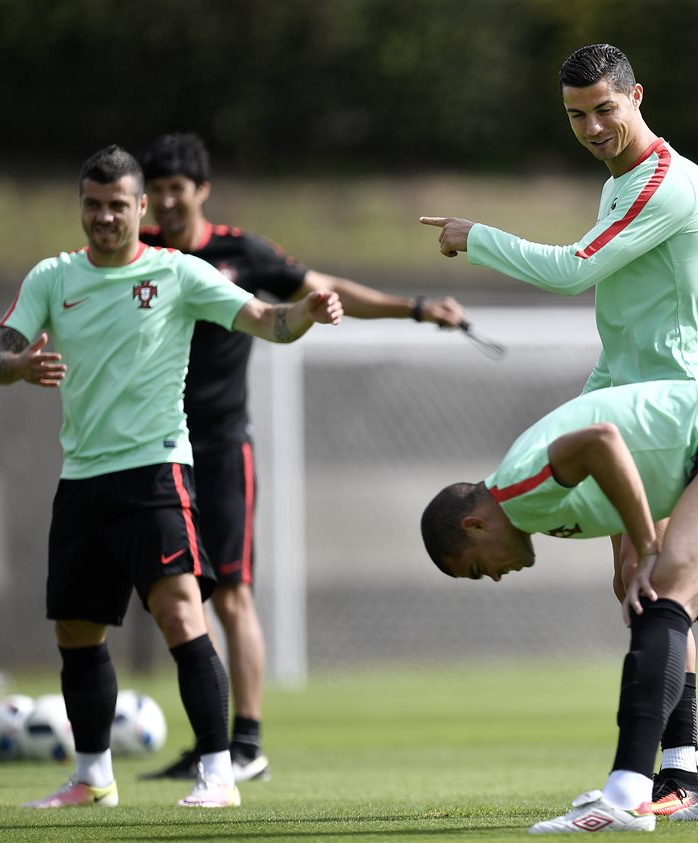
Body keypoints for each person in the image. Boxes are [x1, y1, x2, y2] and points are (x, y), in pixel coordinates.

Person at [0, 144, 343, 809]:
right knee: (77, 631)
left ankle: (217, 770)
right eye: (92, 204)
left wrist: (307, 314)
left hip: (156, 472)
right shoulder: (52, 277)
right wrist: (18, 366)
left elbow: (266, 320)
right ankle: (93, 775)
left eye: (117, 205)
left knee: (181, 611)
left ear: (140, 207)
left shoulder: (179, 273)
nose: (104, 217)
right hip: (83, 478)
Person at [420, 42, 698, 808]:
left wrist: (474, 235)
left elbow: (571, 272)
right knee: (637, 582)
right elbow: (625, 321)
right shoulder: (621, 180)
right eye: (576, 116)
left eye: (604, 110)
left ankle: (686, 768)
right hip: (629, 394)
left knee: (669, 587)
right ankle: (682, 765)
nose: (591, 127)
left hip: (672, 406)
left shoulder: (665, 182)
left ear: (637, 96)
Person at [137, 132, 466, 783]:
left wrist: (417, 308)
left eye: (180, 188)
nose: (169, 201)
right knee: (179, 594)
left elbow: (326, 288)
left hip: (223, 446)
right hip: (154, 448)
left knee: (230, 590)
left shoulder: (241, 251)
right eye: (160, 190)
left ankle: (247, 743)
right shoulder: (140, 253)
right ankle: (210, 742)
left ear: (201, 190)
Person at [420, 378, 698, 833]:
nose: (490, 577)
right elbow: (623, 460)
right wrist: (629, 551)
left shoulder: (515, 490)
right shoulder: (528, 505)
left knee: (661, 598)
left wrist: (648, 550)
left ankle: (626, 798)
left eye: (476, 569)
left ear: (473, 526)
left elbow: (601, 440)